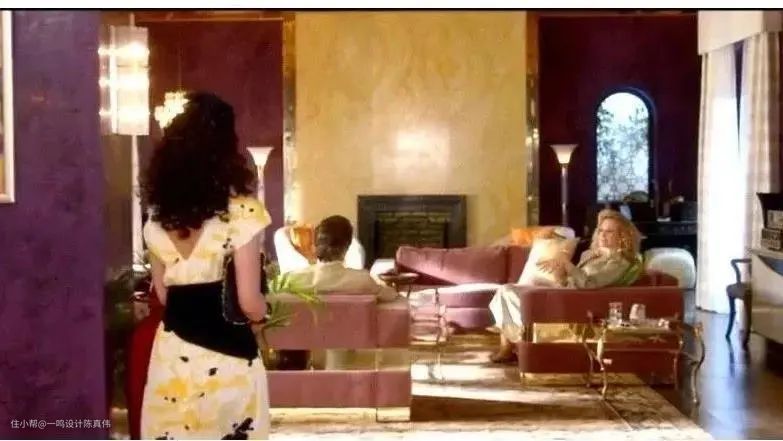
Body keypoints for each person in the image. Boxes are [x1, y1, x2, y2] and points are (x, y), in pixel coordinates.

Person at [140, 92, 271, 439]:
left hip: (173, 355)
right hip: (229, 354)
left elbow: (165, 295)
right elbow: (248, 301)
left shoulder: (156, 219)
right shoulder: (242, 213)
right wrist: (263, 314)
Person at [488, 209, 643, 363]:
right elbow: (572, 280)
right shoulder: (591, 255)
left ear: (622, 237)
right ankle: (513, 341)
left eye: (609, 232)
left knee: (509, 292)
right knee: (506, 290)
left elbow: (589, 284)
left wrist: (567, 265)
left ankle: (517, 341)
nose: (602, 235)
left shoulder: (619, 262)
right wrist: (559, 273)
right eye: (601, 230)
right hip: (566, 291)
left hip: (574, 300)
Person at [285, 215, 399, 302]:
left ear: (315, 244)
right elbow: (391, 295)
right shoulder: (362, 280)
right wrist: (390, 285)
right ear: (347, 246)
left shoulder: (293, 280)